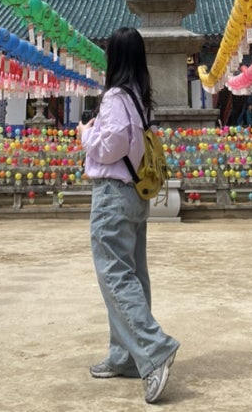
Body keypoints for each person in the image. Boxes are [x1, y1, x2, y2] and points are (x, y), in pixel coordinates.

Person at [78, 27, 179, 405]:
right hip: (135, 195)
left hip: (113, 195)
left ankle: (154, 349)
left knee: (115, 275)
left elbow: (111, 146)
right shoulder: (140, 98)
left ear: (113, 58)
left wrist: (85, 135)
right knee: (133, 273)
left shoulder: (116, 97)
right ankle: (125, 356)